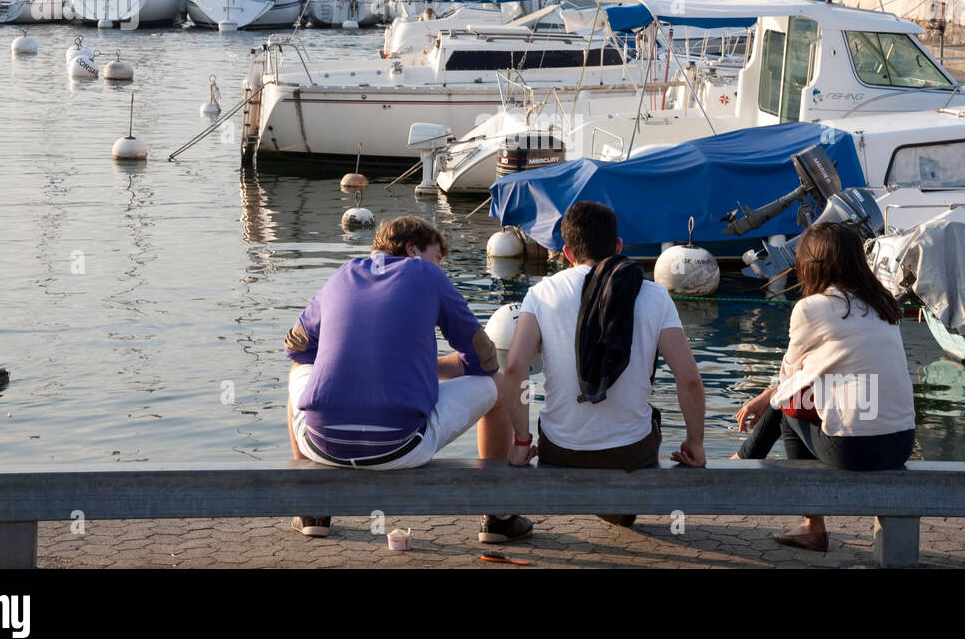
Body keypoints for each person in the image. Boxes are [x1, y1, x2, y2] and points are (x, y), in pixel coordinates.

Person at [285, 215, 532, 544]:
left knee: (297, 373)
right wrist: (426, 367)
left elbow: (296, 346)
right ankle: (498, 516)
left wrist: (353, 358)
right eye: (437, 257)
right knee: (498, 386)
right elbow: (484, 359)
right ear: (413, 249)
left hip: (320, 443)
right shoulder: (425, 274)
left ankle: (313, 508)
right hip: (401, 447)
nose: (439, 267)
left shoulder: (343, 274)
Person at [504, 201, 706, 528]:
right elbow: (689, 380)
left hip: (560, 450)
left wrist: (521, 442)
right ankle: (618, 502)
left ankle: (607, 500)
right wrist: (695, 444)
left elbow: (514, 370)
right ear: (618, 246)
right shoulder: (655, 295)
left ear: (568, 253)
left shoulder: (541, 293)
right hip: (630, 453)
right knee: (649, 417)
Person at [734, 222, 915, 552]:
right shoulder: (883, 303)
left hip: (857, 449)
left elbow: (789, 382)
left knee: (787, 410)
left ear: (812, 263)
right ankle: (744, 462)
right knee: (793, 400)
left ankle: (810, 524)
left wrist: (764, 400)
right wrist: (765, 397)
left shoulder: (811, 307)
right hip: (901, 441)